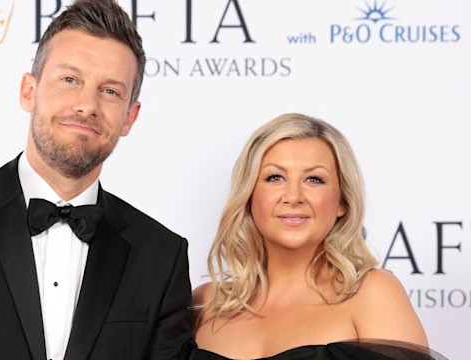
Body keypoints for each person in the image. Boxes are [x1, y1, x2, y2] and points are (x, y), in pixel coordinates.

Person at [0, 1, 192, 359]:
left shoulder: (161, 256)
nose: (87, 105)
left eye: (110, 91)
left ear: (129, 117)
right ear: (29, 91)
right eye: (69, 80)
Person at [184, 114, 446, 359]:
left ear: (342, 201)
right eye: (275, 177)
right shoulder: (205, 303)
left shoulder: (372, 294)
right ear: (250, 195)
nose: (294, 196)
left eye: (314, 180)